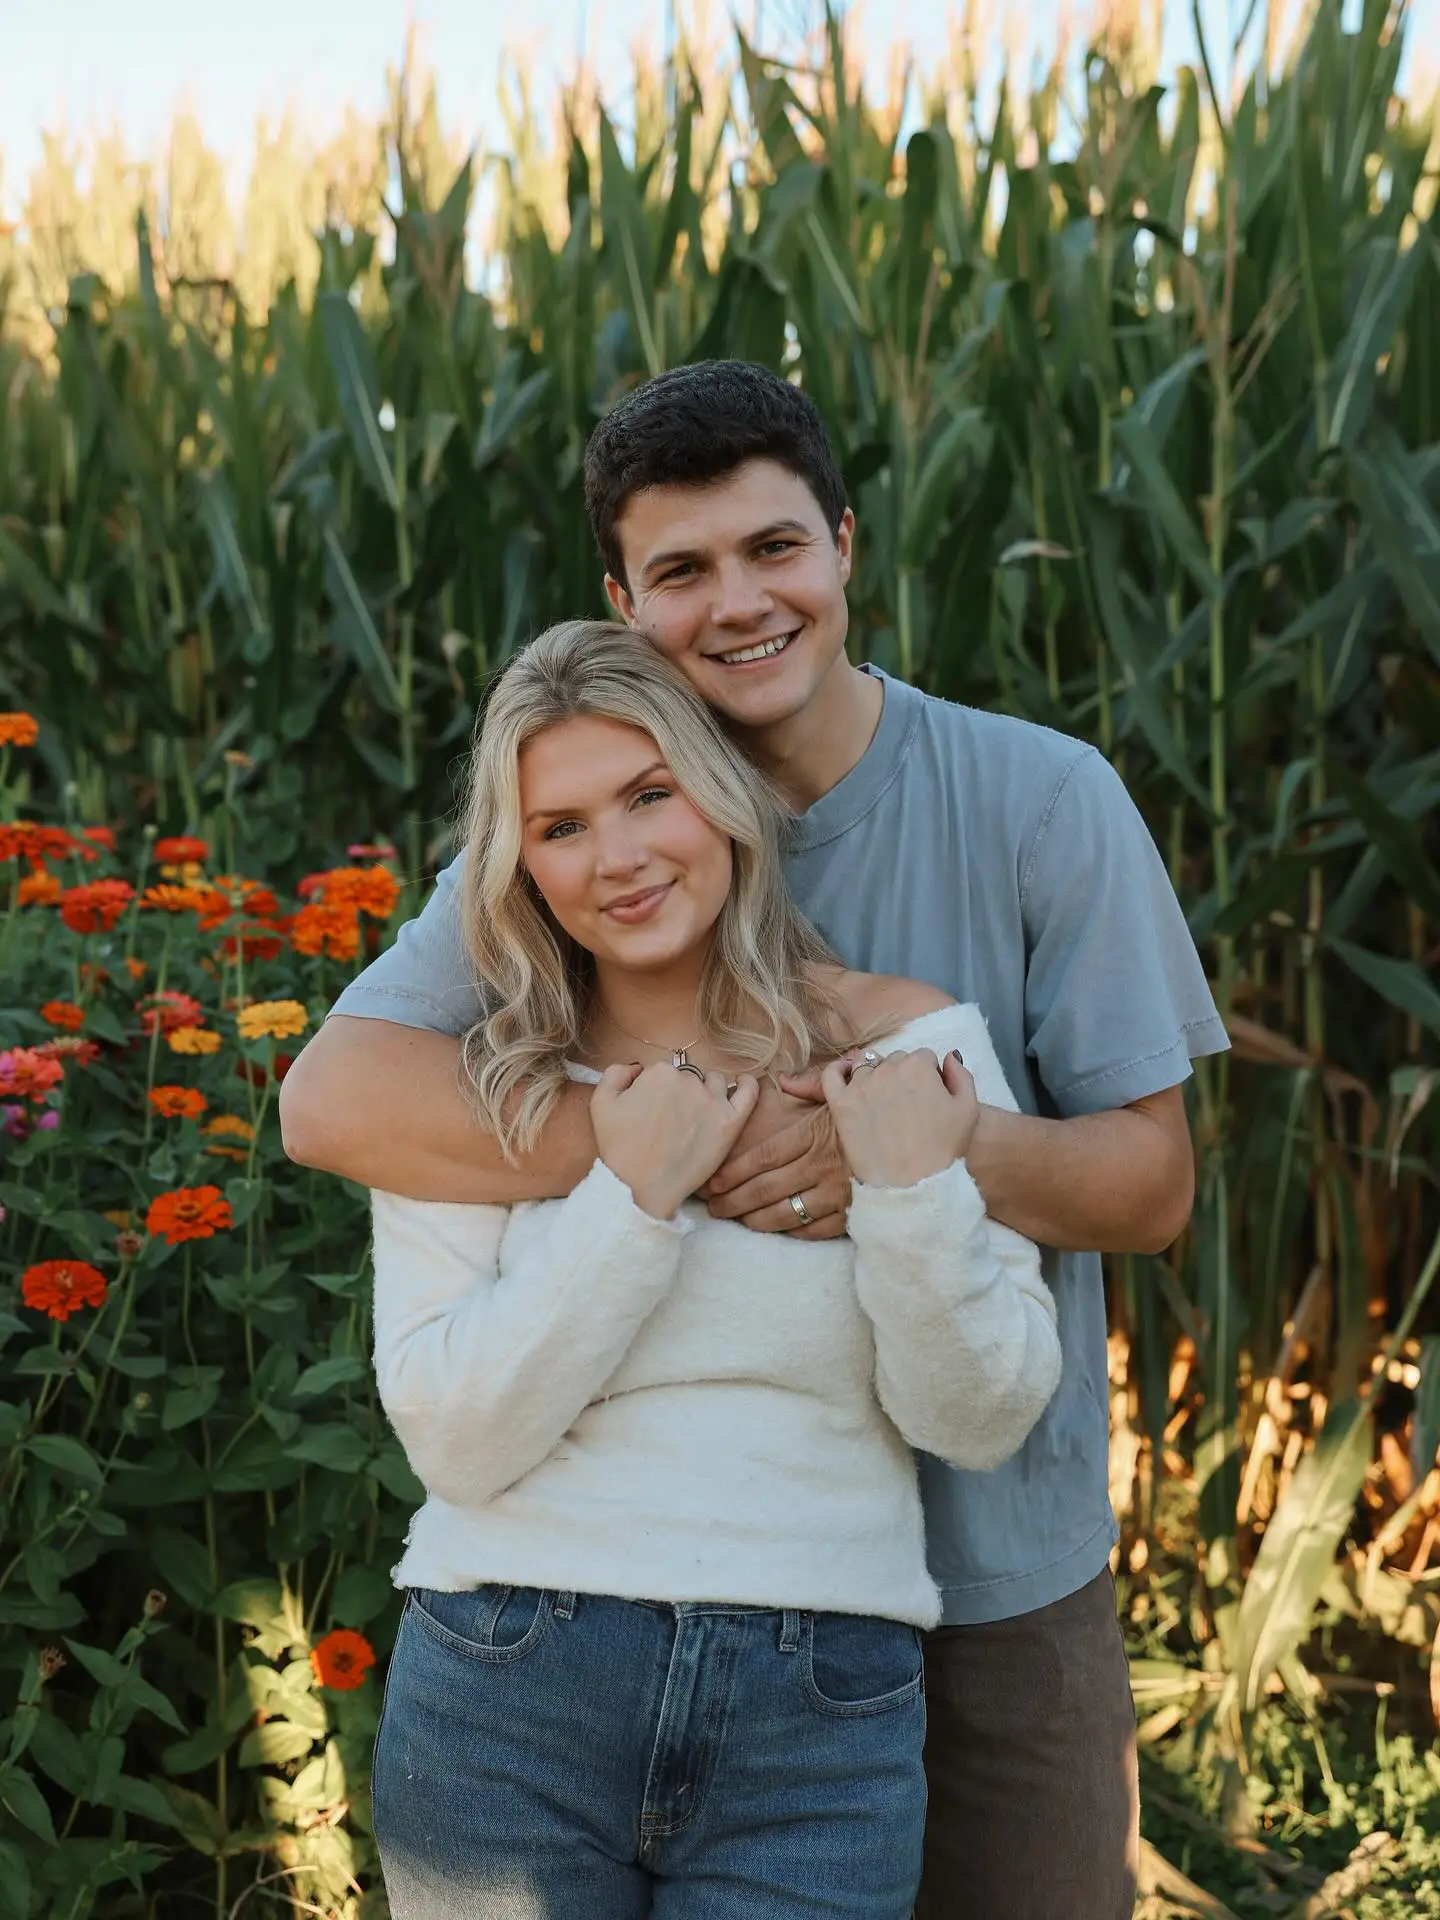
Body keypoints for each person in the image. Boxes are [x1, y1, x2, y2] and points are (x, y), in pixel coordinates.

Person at [281, 360, 1229, 1919]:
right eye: (681, 571)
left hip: (983, 1561)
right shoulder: (572, 818)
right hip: (579, 1614)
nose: (738, 603)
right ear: (623, 598)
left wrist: (892, 1155)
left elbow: (1146, 1185)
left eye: (774, 549)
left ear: (845, 544)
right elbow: (333, 1103)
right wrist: (678, 1143)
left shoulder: (1038, 801)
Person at [365, 618, 1061, 1918]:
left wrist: (908, 1195)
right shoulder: (476, 1086)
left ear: (725, 796)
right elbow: (455, 1440)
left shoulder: (910, 1046)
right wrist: (630, 1194)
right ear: (519, 868)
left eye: (648, 795)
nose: (617, 859)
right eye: (561, 827)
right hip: (509, 1686)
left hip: (820, 1717)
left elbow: (983, 1414)